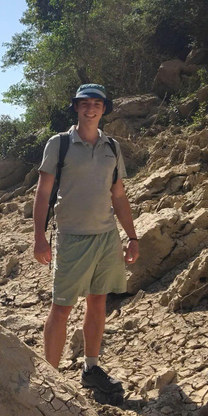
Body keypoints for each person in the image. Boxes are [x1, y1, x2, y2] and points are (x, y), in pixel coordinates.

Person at [33, 83, 140, 399]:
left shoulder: (112, 147)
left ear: (104, 108)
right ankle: (50, 380)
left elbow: (118, 195)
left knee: (98, 302)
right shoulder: (60, 144)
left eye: (96, 103)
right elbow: (42, 192)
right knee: (62, 308)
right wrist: (39, 236)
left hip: (106, 237)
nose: (90, 109)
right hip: (72, 238)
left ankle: (90, 369)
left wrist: (132, 236)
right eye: (84, 103)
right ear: (76, 108)